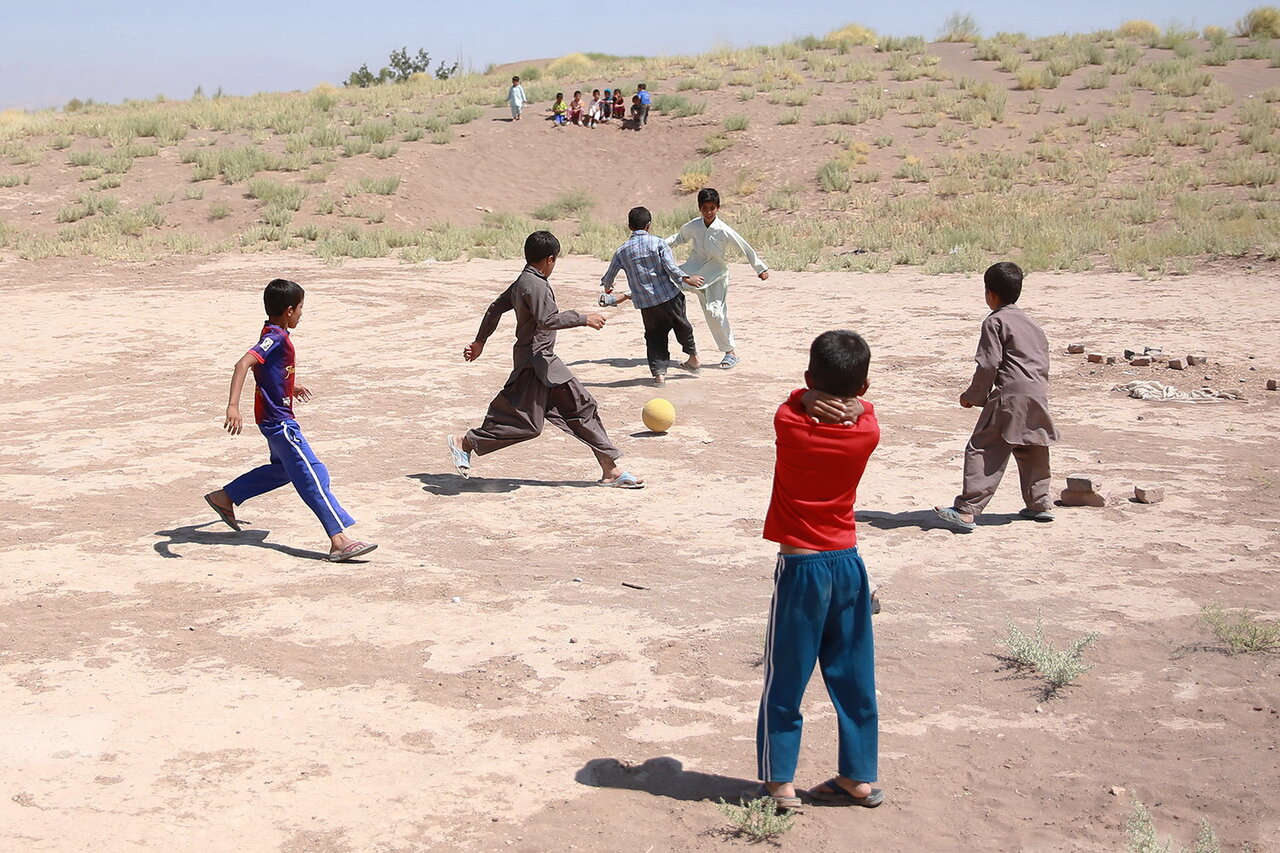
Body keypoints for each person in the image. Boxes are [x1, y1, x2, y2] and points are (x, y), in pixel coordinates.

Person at [757, 330, 882, 813]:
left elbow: (791, 403)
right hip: (849, 564)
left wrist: (805, 395)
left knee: (786, 676)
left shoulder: (791, 423)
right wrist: (860, 409)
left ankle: (780, 783)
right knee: (853, 675)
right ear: (864, 387)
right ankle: (857, 778)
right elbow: (868, 413)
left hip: (800, 568)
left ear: (810, 378)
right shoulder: (867, 431)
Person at [447, 231, 645, 489]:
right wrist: (584, 318)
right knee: (528, 424)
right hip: (535, 364)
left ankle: (612, 470)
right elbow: (547, 320)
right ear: (550, 259)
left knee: (582, 409)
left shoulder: (524, 280)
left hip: (545, 362)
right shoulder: (536, 284)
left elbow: (495, 308)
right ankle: (466, 442)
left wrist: (480, 341)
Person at [203, 279, 377, 562]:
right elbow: (243, 363)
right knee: (313, 474)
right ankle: (339, 540)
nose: (301, 314)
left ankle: (226, 496)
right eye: (300, 309)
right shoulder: (276, 338)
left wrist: (288, 386)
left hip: (272, 419)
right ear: (288, 310)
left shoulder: (274, 332)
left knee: (284, 470)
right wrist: (233, 406)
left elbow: (269, 369)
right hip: (280, 423)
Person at [933, 262, 1060, 533]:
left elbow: (989, 364)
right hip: (1037, 393)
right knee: (1032, 447)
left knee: (983, 447)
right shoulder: (1032, 324)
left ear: (990, 293)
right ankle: (1040, 504)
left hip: (1009, 396)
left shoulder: (994, 321)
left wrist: (973, 396)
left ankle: (967, 510)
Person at [600, 206, 705, 386]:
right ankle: (693, 358)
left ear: (629, 226)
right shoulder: (658, 243)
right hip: (669, 297)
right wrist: (687, 279)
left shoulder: (622, 251)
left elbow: (609, 276)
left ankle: (659, 376)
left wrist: (608, 288)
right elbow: (671, 268)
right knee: (682, 326)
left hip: (647, 305)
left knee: (654, 336)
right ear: (649, 225)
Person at [665, 187, 769, 369]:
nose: (708, 212)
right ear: (699, 208)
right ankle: (626, 294)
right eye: (704, 208)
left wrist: (759, 268)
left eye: (712, 208)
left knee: (715, 313)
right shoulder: (694, 225)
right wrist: (657, 246)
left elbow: (743, 246)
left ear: (718, 208)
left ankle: (730, 353)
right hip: (692, 270)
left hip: (716, 275)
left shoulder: (723, 230)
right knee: (665, 282)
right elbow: (678, 238)